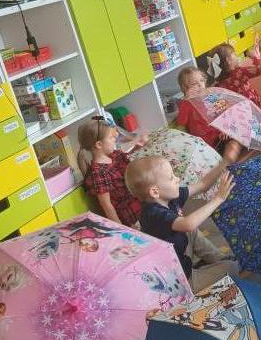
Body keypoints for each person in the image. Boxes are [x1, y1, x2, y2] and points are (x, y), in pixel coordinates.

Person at [125, 155, 238, 291]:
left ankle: (218, 258)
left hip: (181, 251)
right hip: (180, 278)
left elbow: (203, 184)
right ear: (155, 192)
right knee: (232, 267)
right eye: (171, 177)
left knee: (190, 231)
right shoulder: (152, 213)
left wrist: (225, 162)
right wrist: (218, 198)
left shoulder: (168, 196)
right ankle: (205, 273)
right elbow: (188, 224)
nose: (177, 179)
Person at [78, 117, 143, 226]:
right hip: (132, 217)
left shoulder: (114, 155)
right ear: (99, 144)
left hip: (140, 202)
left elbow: (127, 160)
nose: (116, 137)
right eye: (111, 137)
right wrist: (122, 229)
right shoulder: (99, 173)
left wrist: (136, 148)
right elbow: (107, 206)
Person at [175, 66, 243, 156]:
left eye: (201, 80)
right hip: (206, 144)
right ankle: (227, 159)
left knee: (238, 135)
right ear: (185, 88)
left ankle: (229, 156)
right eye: (194, 84)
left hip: (221, 136)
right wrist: (186, 100)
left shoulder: (211, 97)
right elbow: (180, 124)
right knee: (233, 145)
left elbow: (223, 114)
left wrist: (226, 129)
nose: (200, 85)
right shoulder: (187, 103)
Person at [210, 37, 261, 106]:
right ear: (228, 60)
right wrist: (256, 57)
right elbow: (260, 69)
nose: (237, 56)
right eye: (234, 54)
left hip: (240, 108)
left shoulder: (219, 83)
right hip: (252, 105)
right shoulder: (239, 73)